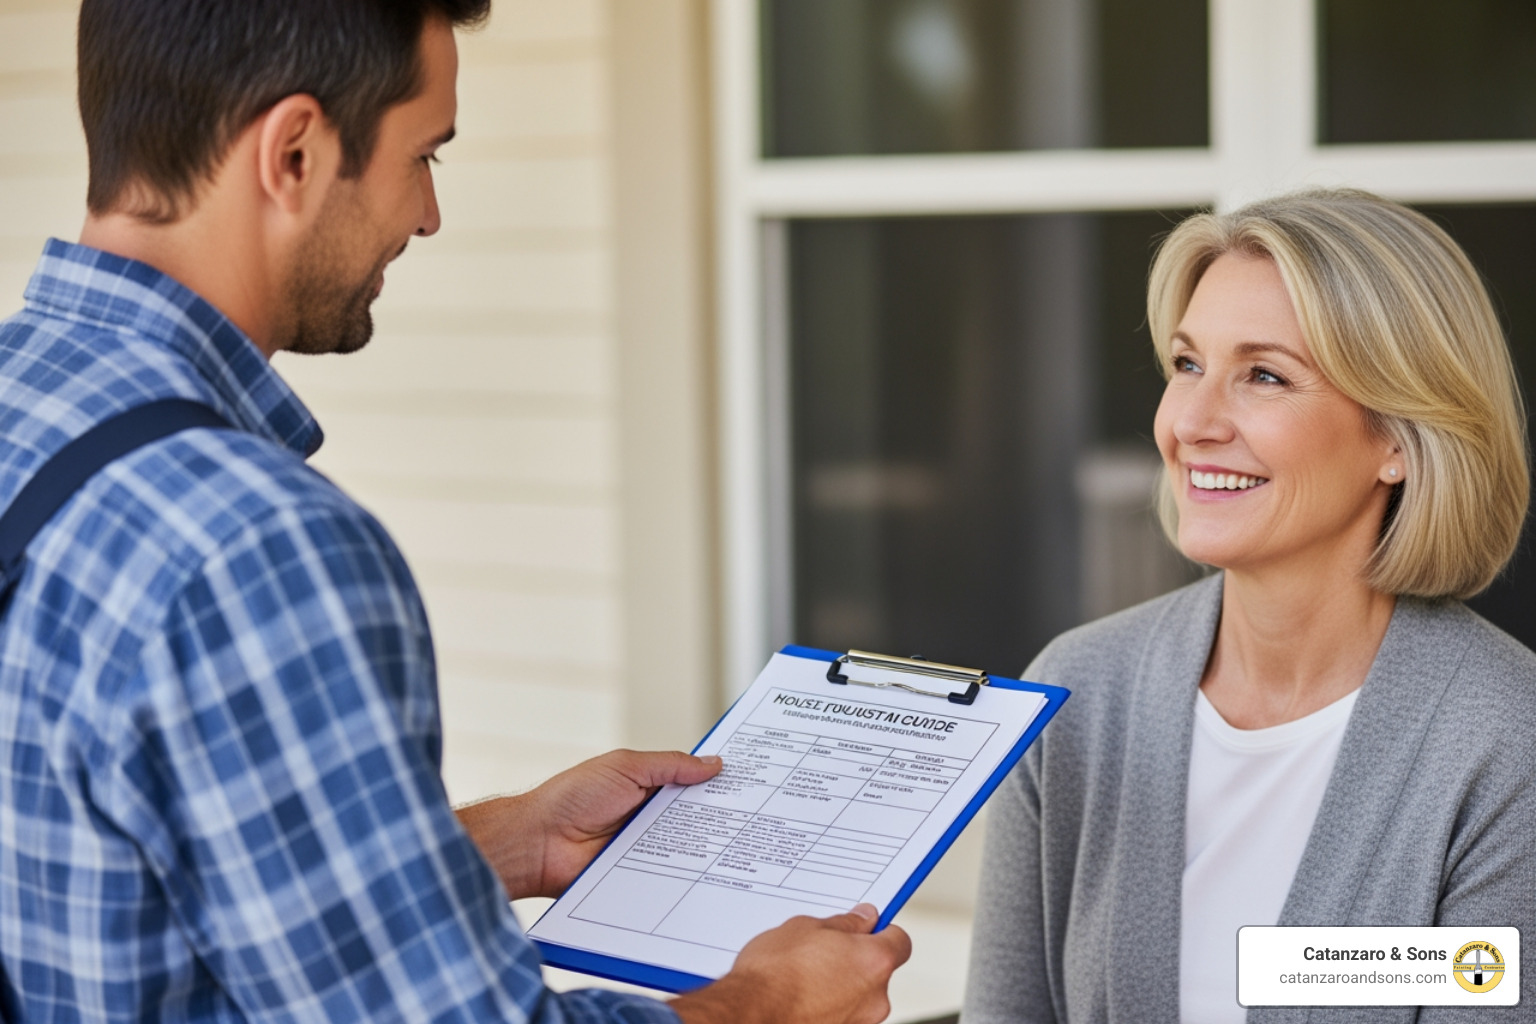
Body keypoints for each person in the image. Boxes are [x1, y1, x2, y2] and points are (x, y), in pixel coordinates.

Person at [0, 2, 910, 1022]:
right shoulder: (254, 544)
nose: (427, 214)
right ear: (294, 151)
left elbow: (110, 869)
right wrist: (765, 1003)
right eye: (423, 155)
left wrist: (506, 840)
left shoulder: (23, 409)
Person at [962, 189, 1536, 1023]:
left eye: (1264, 375)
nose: (1189, 421)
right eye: (1187, 365)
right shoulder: (1077, 695)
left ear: (1399, 438)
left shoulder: (1504, 744)